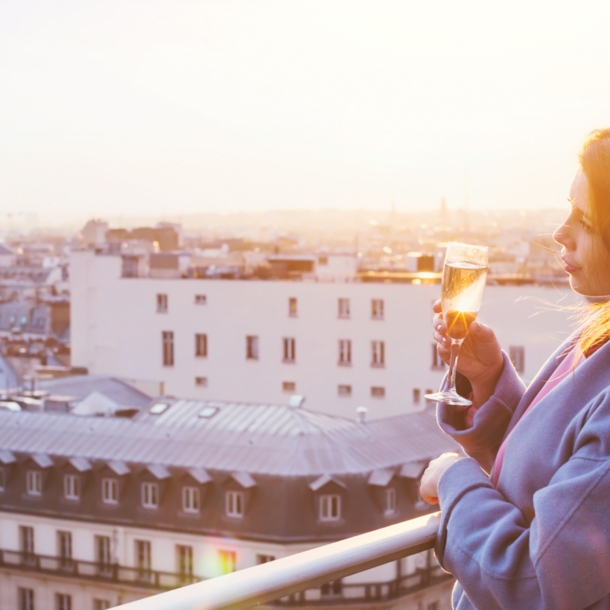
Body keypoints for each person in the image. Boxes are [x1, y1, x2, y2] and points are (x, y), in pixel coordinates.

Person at [420, 128, 610, 610]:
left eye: (584, 219)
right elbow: (560, 471)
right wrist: (489, 380)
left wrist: (453, 479)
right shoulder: (599, 329)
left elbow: (537, 584)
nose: (559, 232)